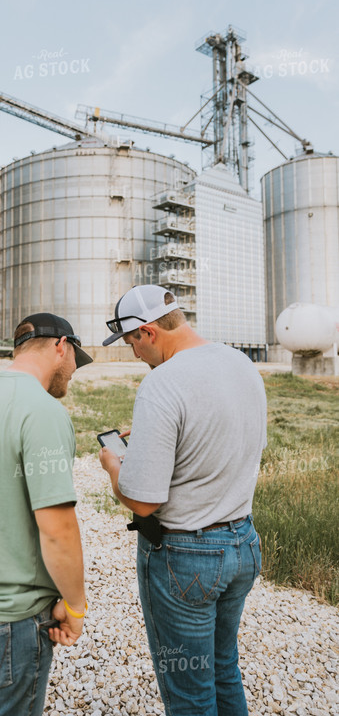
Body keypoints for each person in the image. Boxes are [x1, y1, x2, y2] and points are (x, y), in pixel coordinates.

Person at [99, 284, 266, 716]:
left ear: (149, 332)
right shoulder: (242, 364)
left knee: (190, 695)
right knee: (222, 667)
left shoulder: (162, 383)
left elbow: (142, 503)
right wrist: (160, 442)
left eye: (132, 342)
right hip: (243, 543)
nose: (133, 354)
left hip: (187, 559)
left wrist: (114, 464)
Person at [0, 313, 93, 716]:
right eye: (77, 357)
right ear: (61, 346)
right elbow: (58, 530)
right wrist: (75, 608)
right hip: (6, 617)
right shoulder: (42, 411)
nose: (75, 371)